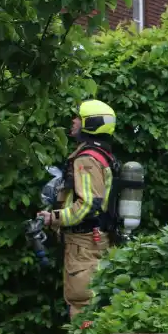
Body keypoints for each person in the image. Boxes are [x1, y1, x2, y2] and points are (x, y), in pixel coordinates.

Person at [37, 101, 118, 319]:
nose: (73, 121)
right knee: (94, 300)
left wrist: (53, 217)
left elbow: (88, 205)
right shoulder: (102, 154)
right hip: (94, 240)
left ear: (89, 124)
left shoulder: (87, 158)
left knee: (82, 304)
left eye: (78, 117)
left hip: (84, 243)